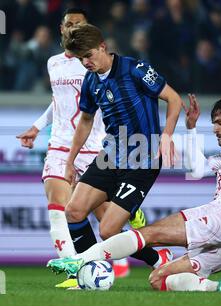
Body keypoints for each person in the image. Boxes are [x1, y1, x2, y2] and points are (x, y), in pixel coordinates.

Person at [47, 94, 221, 292]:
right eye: (213, 123)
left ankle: (81, 259)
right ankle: (219, 288)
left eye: (220, 123)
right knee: (159, 279)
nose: (214, 129)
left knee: (148, 233)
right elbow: (198, 169)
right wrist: (191, 129)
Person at [16, 9, 156, 287]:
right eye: (69, 25)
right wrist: (37, 126)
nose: (73, 29)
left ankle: (158, 260)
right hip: (60, 144)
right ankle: (76, 272)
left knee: (107, 224)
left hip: (96, 144)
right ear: (61, 28)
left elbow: (98, 105)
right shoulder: (53, 63)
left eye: (79, 25)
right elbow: (59, 101)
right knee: (59, 208)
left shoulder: (93, 61)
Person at [51, 23, 181, 276]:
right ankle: (89, 272)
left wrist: (166, 136)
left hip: (143, 156)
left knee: (108, 230)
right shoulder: (90, 82)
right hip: (111, 155)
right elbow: (86, 121)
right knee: (74, 211)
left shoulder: (136, 69)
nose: (85, 63)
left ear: (103, 47)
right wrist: (70, 161)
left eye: (88, 55)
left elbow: (174, 99)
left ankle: (158, 257)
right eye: (80, 59)